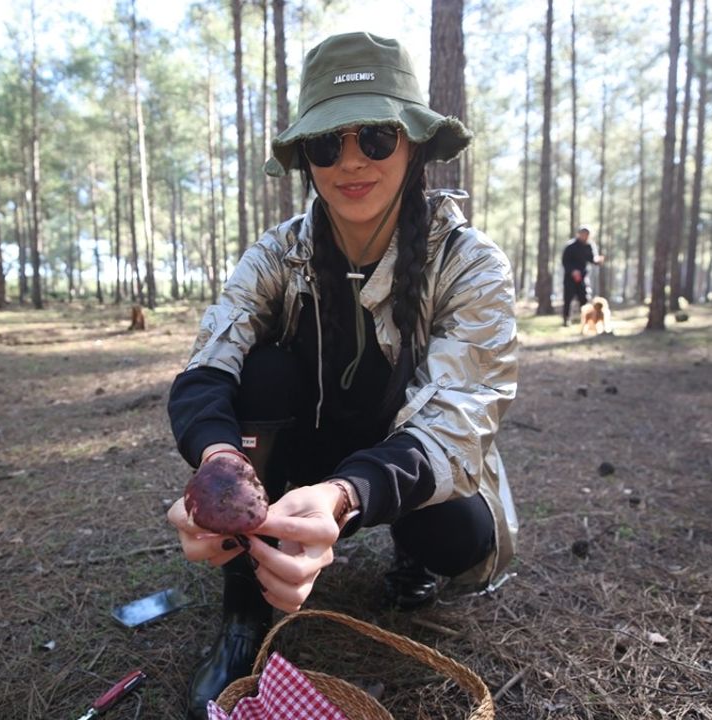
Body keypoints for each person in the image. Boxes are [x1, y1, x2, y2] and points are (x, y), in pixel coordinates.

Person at [165, 32, 519, 718]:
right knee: (260, 374)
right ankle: (245, 606)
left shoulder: (470, 264)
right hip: (299, 461)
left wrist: (345, 496)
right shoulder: (275, 255)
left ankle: (409, 556)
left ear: (413, 143)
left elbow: (459, 420)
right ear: (306, 160)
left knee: (463, 538)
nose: (351, 161)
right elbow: (211, 359)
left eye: (377, 138)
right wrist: (217, 467)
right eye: (327, 144)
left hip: (390, 468)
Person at [561, 226, 604, 326]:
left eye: (587, 234)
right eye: (583, 234)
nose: (585, 236)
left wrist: (597, 261)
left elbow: (592, 258)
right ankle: (566, 319)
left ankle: (584, 320)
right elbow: (565, 261)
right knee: (568, 298)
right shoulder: (570, 246)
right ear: (579, 234)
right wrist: (572, 271)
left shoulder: (589, 246)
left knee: (584, 298)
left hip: (583, 277)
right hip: (570, 277)